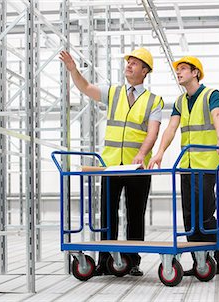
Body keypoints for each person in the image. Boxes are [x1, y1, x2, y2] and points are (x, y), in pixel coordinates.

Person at [59, 48, 164, 276]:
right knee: (108, 216)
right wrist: (73, 70)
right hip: (111, 165)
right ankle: (104, 262)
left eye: (135, 63)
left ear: (145, 71)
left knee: (135, 214)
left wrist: (141, 153)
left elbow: (152, 133)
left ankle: (132, 261)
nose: (129, 65)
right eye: (128, 62)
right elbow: (86, 88)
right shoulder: (114, 93)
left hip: (138, 168)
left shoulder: (154, 101)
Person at [147, 56, 219, 275]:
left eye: (184, 69)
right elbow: (171, 129)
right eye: (178, 70)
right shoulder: (180, 101)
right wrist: (159, 152)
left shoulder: (211, 95)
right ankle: (201, 262)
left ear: (195, 73)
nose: (179, 73)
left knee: (204, 215)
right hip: (186, 166)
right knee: (189, 217)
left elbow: (217, 114)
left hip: (205, 165)